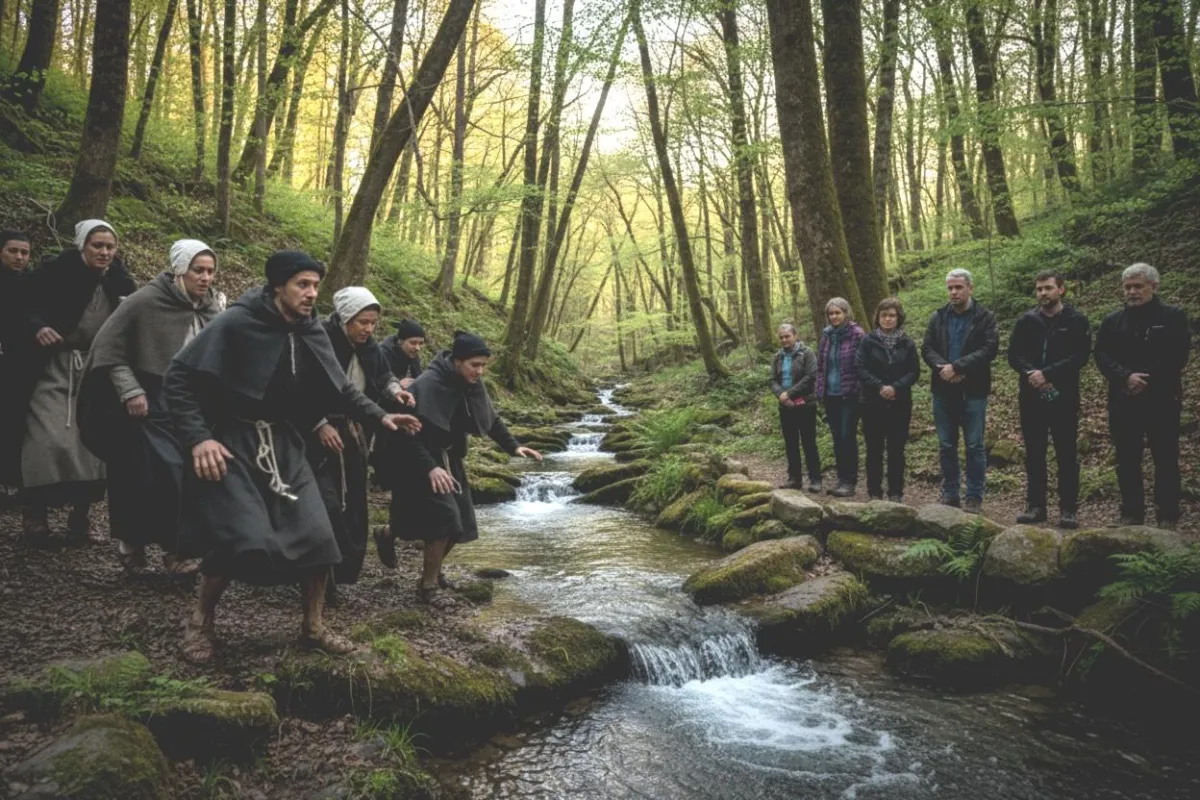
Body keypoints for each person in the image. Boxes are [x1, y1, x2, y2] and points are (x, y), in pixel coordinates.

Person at [163, 251, 421, 662]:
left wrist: (382, 415)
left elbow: (342, 390)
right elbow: (179, 378)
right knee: (238, 537)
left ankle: (313, 628)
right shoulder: (236, 322)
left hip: (285, 442)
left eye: (316, 286)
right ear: (278, 285)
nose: (311, 293)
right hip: (235, 440)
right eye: (302, 284)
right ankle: (199, 623)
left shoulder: (311, 330)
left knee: (319, 536)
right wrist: (198, 439)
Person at [78, 240, 225, 573]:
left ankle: (178, 550)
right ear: (179, 269)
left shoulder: (211, 306)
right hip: (149, 400)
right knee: (149, 474)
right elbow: (108, 349)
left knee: (190, 474)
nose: (205, 277)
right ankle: (138, 545)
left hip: (190, 404)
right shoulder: (145, 301)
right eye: (197, 270)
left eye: (210, 271)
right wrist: (131, 391)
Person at [383, 331, 541, 603]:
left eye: (483, 365)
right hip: (417, 457)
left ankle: (390, 535)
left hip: (448, 458)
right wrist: (431, 468)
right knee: (444, 521)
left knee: (461, 523)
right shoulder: (428, 384)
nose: (480, 371)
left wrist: (513, 446)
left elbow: (488, 418)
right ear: (457, 361)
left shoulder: (471, 382)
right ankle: (428, 587)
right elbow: (406, 433)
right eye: (474, 365)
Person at [20, 220, 135, 541]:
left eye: (110, 247)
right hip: (53, 366)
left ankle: (80, 517)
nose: (104, 252)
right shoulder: (55, 272)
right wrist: (38, 326)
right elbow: (25, 303)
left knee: (93, 443)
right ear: (83, 245)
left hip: (96, 369)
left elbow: (135, 314)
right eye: (98, 245)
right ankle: (35, 513)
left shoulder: (119, 279)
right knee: (45, 439)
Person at [308, 287, 413, 604]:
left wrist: (396, 392)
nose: (368, 329)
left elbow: (383, 376)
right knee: (327, 503)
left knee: (354, 501)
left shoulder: (370, 348)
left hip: (354, 430)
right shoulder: (320, 339)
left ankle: (341, 573)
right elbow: (303, 385)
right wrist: (318, 423)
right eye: (362, 322)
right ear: (345, 317)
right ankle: (318, 577)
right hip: (316, 430)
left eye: (373, 323)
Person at [1094, 263, 1191, 529]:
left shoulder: (1173, 317)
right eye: (1128, 287)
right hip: (1123, 399)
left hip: (1162, 398)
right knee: (1126, 457)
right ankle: (1132, 513)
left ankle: (1168, 514)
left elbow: (1177, 355)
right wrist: (1125, 376)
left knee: (1166, 457)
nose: (1133, 292)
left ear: (1154, 286)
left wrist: (1144, 378)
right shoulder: (1113, 321)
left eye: (1138, 286)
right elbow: (1101, 354)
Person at [1007, 271, 1091, 529]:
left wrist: (1049, 374)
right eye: (1039, 289)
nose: (1043, 293)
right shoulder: (1026, 321)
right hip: (1031, 397)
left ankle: (1068, 510)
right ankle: (1036, 506)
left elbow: (1081, 355)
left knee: (1066, 453)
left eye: (1048, 288)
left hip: (1064, 396)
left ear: (1061, 290)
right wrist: (1031, 373)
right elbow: (1013, 355)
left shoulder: (1076, 320)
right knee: (1034, 453)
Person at [922, 268, 999, 514]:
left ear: (970, 288)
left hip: (973, 390)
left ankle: (974, 497)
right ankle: (950, 493)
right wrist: (942, 368)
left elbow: (989, 349)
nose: (954, 292)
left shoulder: (984, 317)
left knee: (974, 445)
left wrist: (958, 367)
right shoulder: (938, 317)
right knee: (946, 445)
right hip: (943, 390)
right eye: (950, 288)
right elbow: (927, 348)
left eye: (958, 287)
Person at [856, 298, 920, 502]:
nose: (888, 319)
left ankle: (895, 492)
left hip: (900, 403)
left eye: (892, 315)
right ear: (878, 317)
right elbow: (860, 368)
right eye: (884, 315)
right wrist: (879, 386)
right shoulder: (868, 341)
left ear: (898, 317)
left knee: (896, 450)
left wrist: (895, 388)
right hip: (872, 402)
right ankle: (874, 491)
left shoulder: (907, 343)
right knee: (874, 449)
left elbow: (914, 371)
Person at [816, 298, 866, 498]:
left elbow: (863, 366)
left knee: (847, 436)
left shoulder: (857, 334)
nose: (834, 317)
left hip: (850, 395)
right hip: (831, 394)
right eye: (831, 314)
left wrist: (858, 390)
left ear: (846, 313)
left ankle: (849, 481)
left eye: (838, 313)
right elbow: (821, 366)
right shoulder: (827, 336)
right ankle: (841, 479)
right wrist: (820, 390)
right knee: (837, 438)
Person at [0, 231, 33, 500]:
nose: (19, 257)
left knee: (13, 420)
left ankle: (11, 479)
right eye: (13, 251)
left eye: (24, 252)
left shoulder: (30, 284)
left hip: (19, 364)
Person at [769, 323, 821, 492]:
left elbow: (811, 376)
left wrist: (789, 393)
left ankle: (815, 479)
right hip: (785, 406)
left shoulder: (807, 353)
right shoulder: (777, 357)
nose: (784, 340)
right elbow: (772, 380)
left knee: (809, 442)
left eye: (787, 336)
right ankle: (794, 478)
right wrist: (781, 395)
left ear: (795, 336)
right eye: (781, 337)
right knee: (790, 442)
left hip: (805, 403)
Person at [381, 318, 426, 389]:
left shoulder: (412, 355)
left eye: (420, 343)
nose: (418, 348)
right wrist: (397, 385)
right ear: (400, 341)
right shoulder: (383, 355)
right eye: (413, 343)